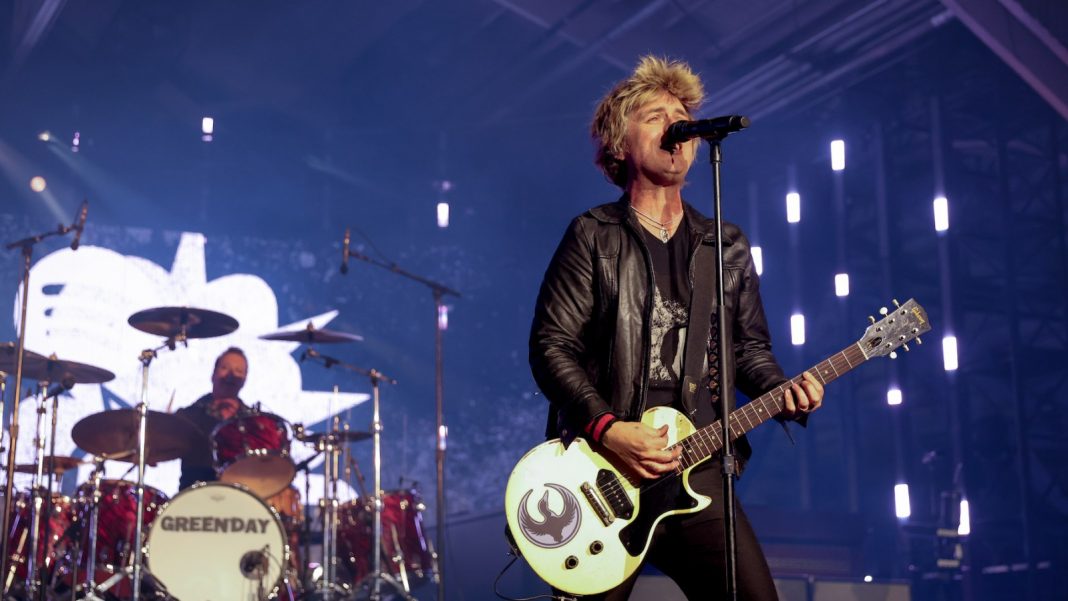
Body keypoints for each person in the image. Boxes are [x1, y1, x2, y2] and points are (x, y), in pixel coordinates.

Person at [528, 55, 825, 600]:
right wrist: (608, 428)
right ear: (620, 145)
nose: (676, 125)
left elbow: (750, 350)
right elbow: (552, 346)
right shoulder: (594, 236)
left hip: (701, 464)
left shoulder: (725, 244)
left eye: (681, 114)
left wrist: (785, 390)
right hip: (605, 470)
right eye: (655, 115)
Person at [176, 346, 254, 490]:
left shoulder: (254, 422)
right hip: (192, 499)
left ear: (244, 380)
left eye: (239, 371)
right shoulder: (188, 416)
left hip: (241, 499)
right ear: (213, 374)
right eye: (225, 368)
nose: (231, 375)